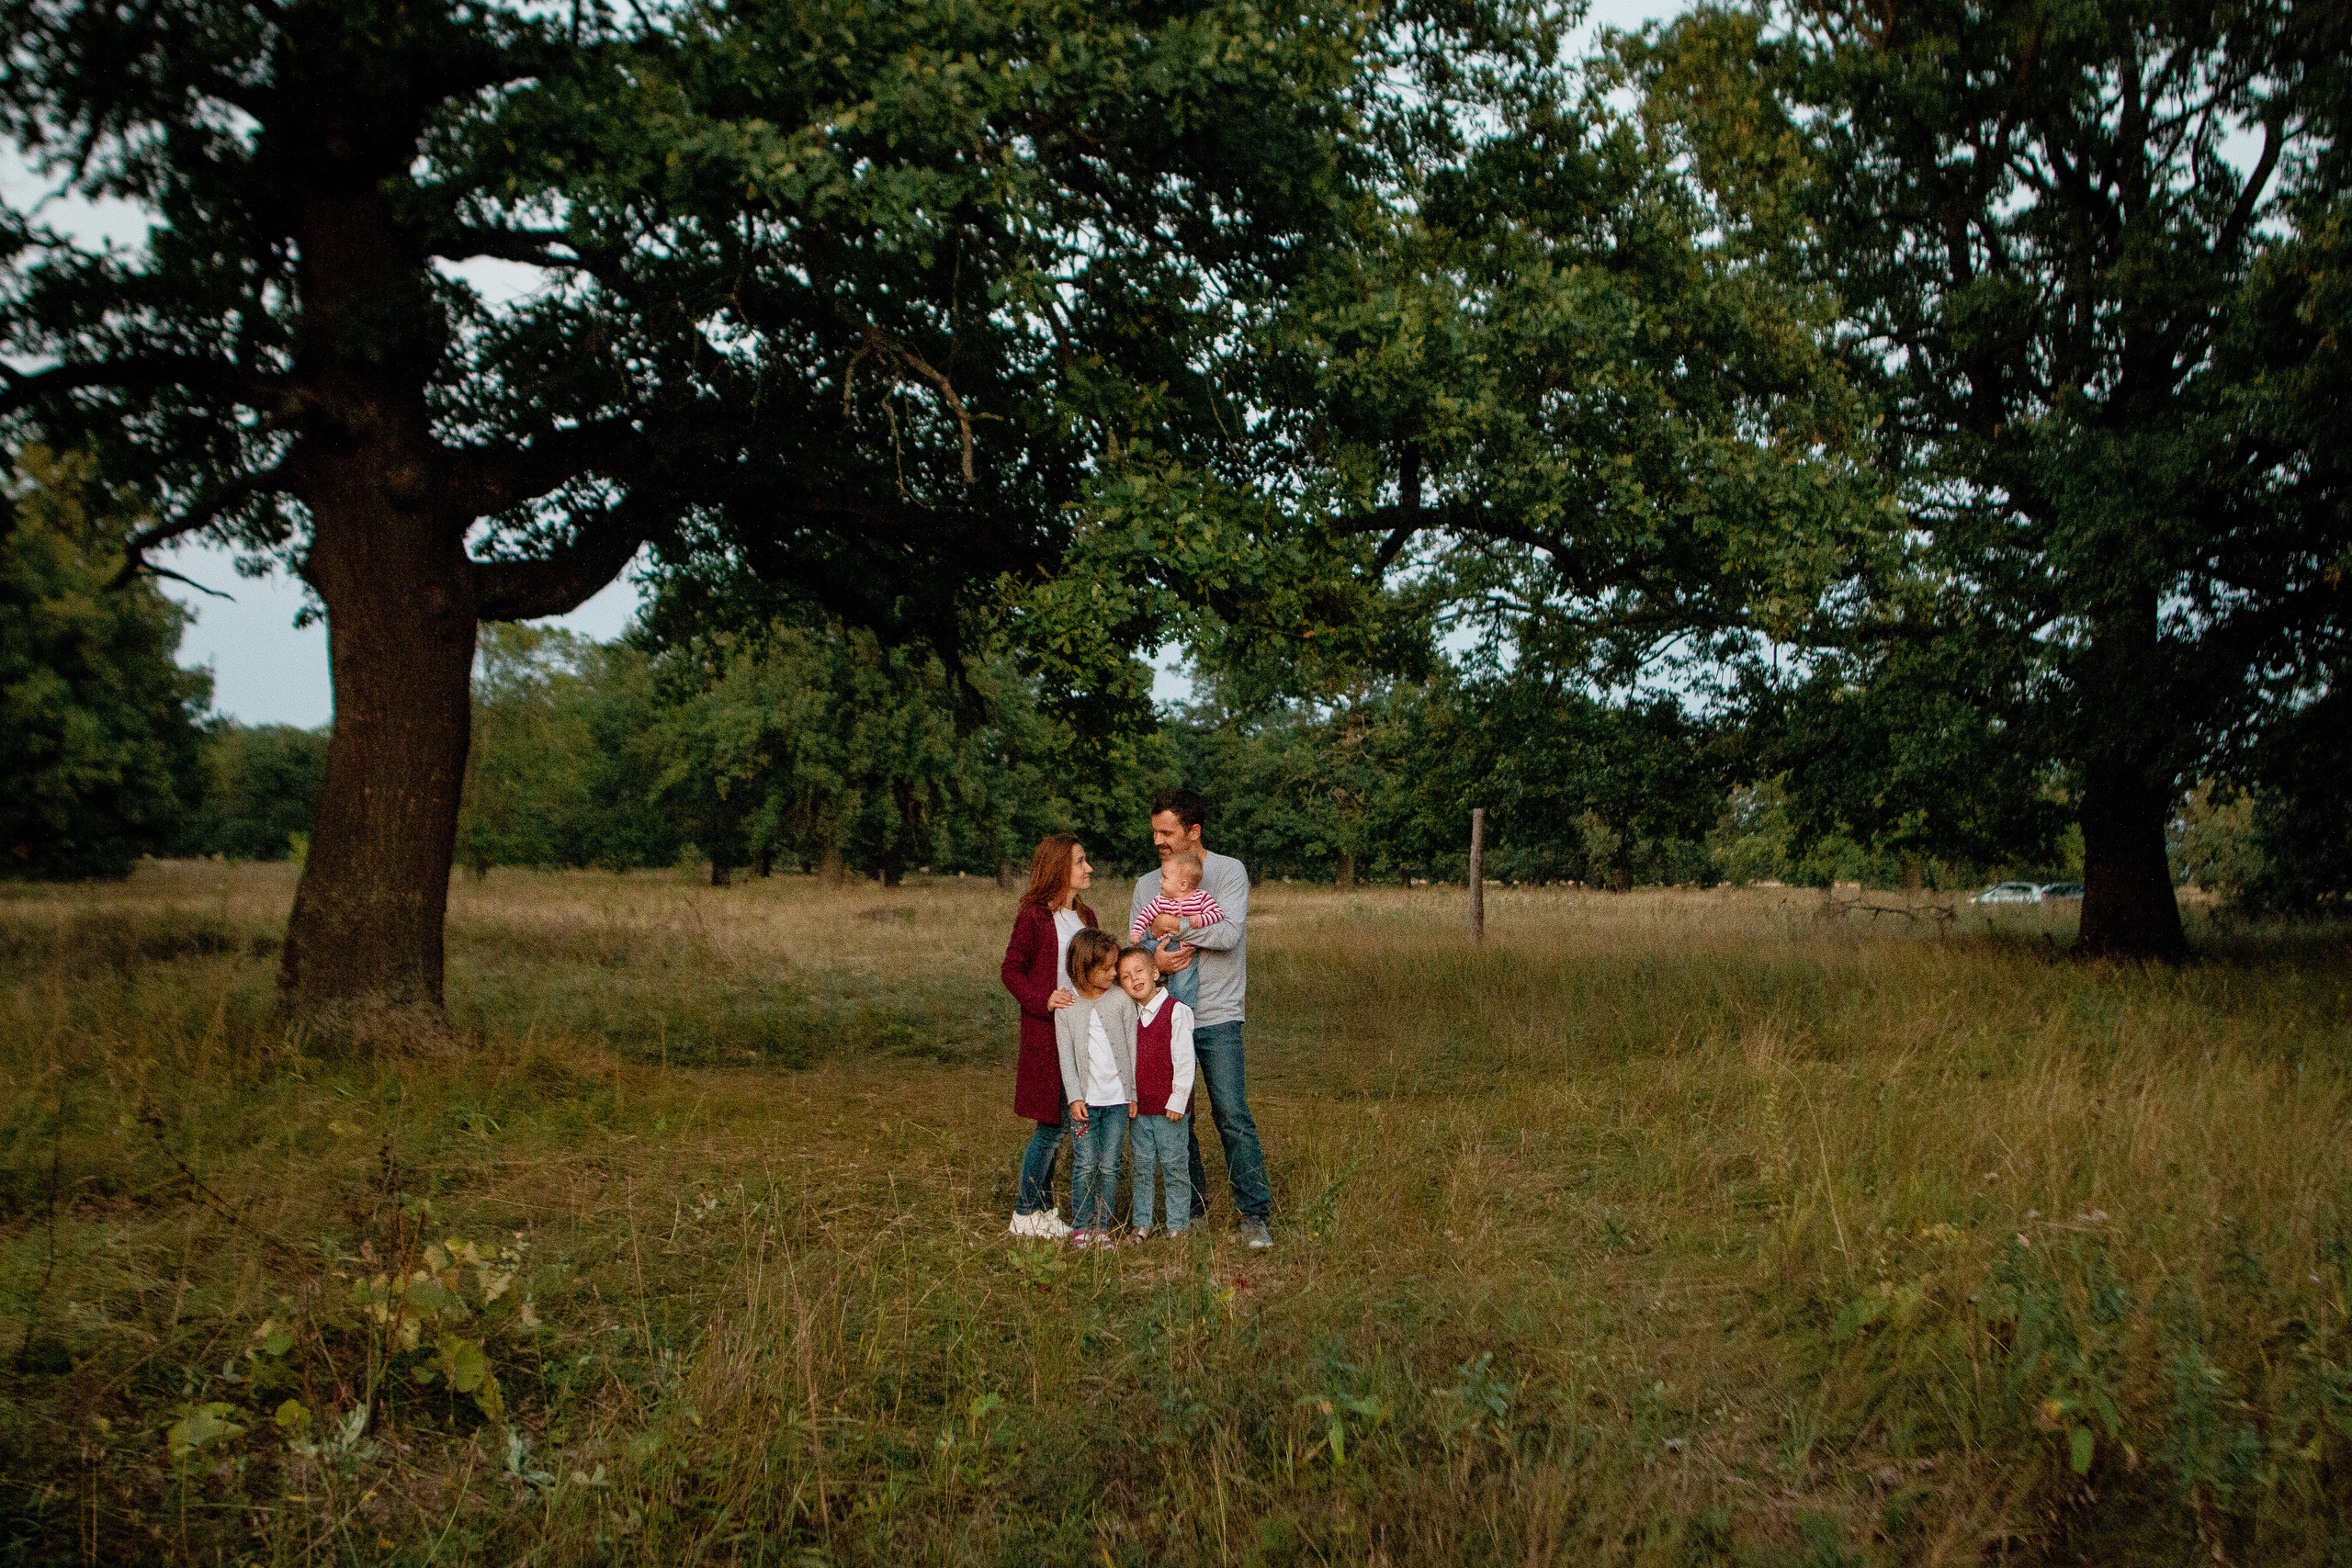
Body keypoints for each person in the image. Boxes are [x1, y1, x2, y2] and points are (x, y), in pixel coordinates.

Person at [1129, 787, 1272, 1248]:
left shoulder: (1229, 872)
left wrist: (1177, 927)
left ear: (1193, 831)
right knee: (1178, 1116)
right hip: (1166, 1017)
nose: (1157, 841)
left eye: (1166, 832)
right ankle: (1190, 1209)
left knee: (1231, 1113)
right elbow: (1135, 948)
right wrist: (1156, 959)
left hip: (1218, 1014)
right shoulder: (1147, 884)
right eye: (1154, 832)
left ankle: (1254, 1215)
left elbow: (1228, 934)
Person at [998, 834, 1098, 1238]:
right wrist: (1044, 999)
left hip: (1080, 1035)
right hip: (1046, 1034)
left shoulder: (1087, 916)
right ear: (1058, 868)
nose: (1088, 868)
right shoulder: (1034, 917)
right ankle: (1024, 1212)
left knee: (1065, 1121)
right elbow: (1011, 970)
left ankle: (1041, 1210)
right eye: (1080, 861)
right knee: (1052, 1125)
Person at [1054, 928, 1137, 1248]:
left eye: (1114, 966)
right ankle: (1081, 1227)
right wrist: (1074, 1096)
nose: (1114, 973)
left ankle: (1102, 1227)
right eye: (1106, 968)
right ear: (1083, 969)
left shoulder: (1121, 1000)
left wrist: (1132, 1094)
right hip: (1085, 1104)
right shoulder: (1067, 1006)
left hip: (1117, 1101)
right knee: (1086, 1164)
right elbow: (1066, 1057)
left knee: (1110, 1165)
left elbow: (1132, 1048)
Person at [1118, 943, 1196, 1241]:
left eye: (1139, 971)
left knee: (1175, 1166)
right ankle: (1142, 1223)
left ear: (1154, 972)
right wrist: (1130, 1097)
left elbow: (1185, 1061)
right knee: (1142, 1167)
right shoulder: (1129, 1016)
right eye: (1125, 977)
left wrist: (1178, 1099)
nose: (1134, 979)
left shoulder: (1176, 1011)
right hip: (1140, 1109)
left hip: (1169, 1110)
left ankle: (1178, 1225)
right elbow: (1128, 1062)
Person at [1127, 850, 1225, 1011]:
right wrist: (1136, 933)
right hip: (1161, 943)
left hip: (1184, 949)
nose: (1160, 881)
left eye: (1165, 878)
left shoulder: (1201, 898)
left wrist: (1198, 920)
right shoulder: (1161, 900)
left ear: (1183, 885)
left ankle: (1181, 1010)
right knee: (1139, 953)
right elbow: (1145, 915)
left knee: (1183, 982)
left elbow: (1217, 914)